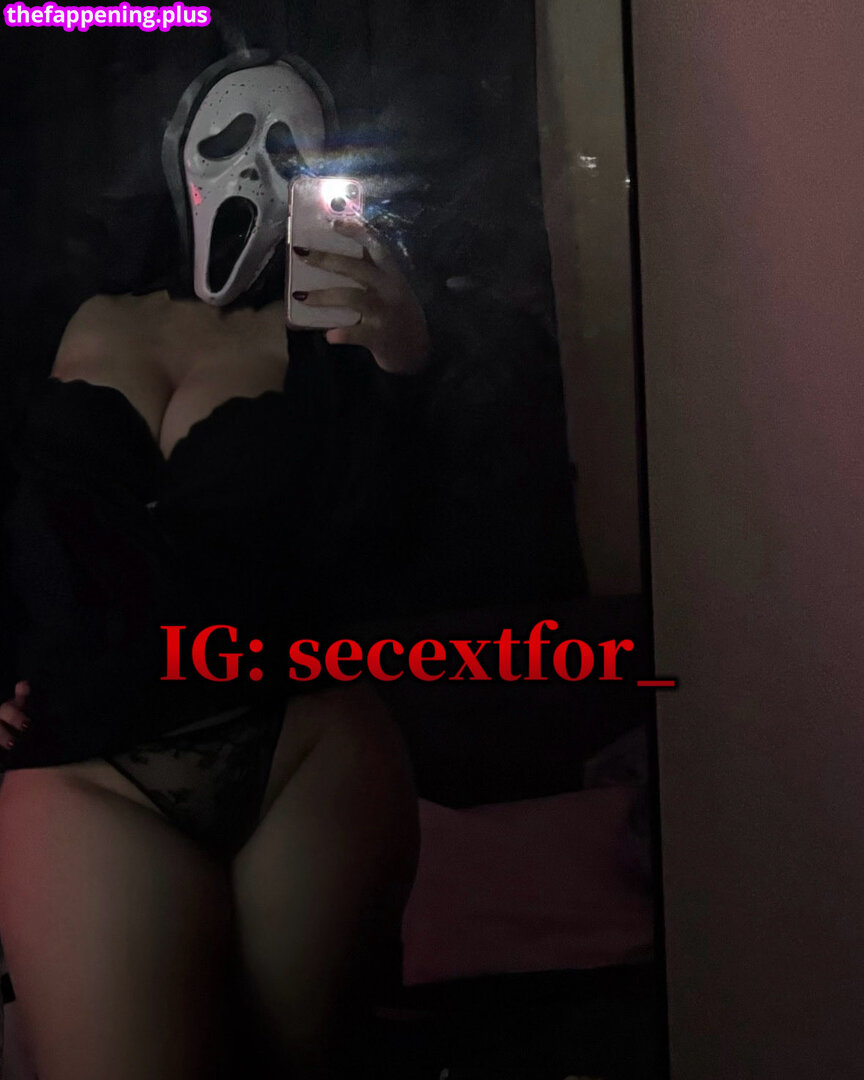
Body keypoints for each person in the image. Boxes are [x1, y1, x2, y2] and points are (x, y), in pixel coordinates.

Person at [0, 53, 428, 1080]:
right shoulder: (56, 312)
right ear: (172, 153)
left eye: (290, 150)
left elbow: (404, 542)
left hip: (303, 746)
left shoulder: (332, 335)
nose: (256, 170)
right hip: (84, 759)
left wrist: (405, 368)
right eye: (231, 138)